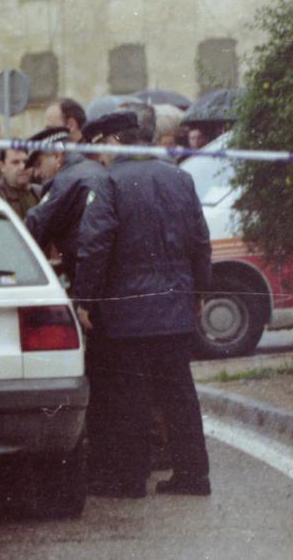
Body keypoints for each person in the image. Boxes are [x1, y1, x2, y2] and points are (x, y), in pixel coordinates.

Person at [73, 111, 213, 499]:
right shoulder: (181, 178)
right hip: (174, 307)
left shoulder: (109, 183)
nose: (96, 154)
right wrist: (199, 291)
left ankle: (130, 479)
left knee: (130, 396)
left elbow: (95, 245)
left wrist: (85, 299)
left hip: (128, 311)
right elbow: (200, 242)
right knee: (179, 393)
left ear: (115, 141)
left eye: (98, 144)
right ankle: (193, 475)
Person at [25, 126, 107, 288]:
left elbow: (34, 227)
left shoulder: (65, 181)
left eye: (38, 163)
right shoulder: (96, 169)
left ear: (57, 155)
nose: (36, 172)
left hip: (87, 279)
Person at [0, 148, 38, 218]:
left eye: (26, 162)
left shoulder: (40, 193)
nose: (23, 167)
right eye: (15, 162)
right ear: (2, 166)